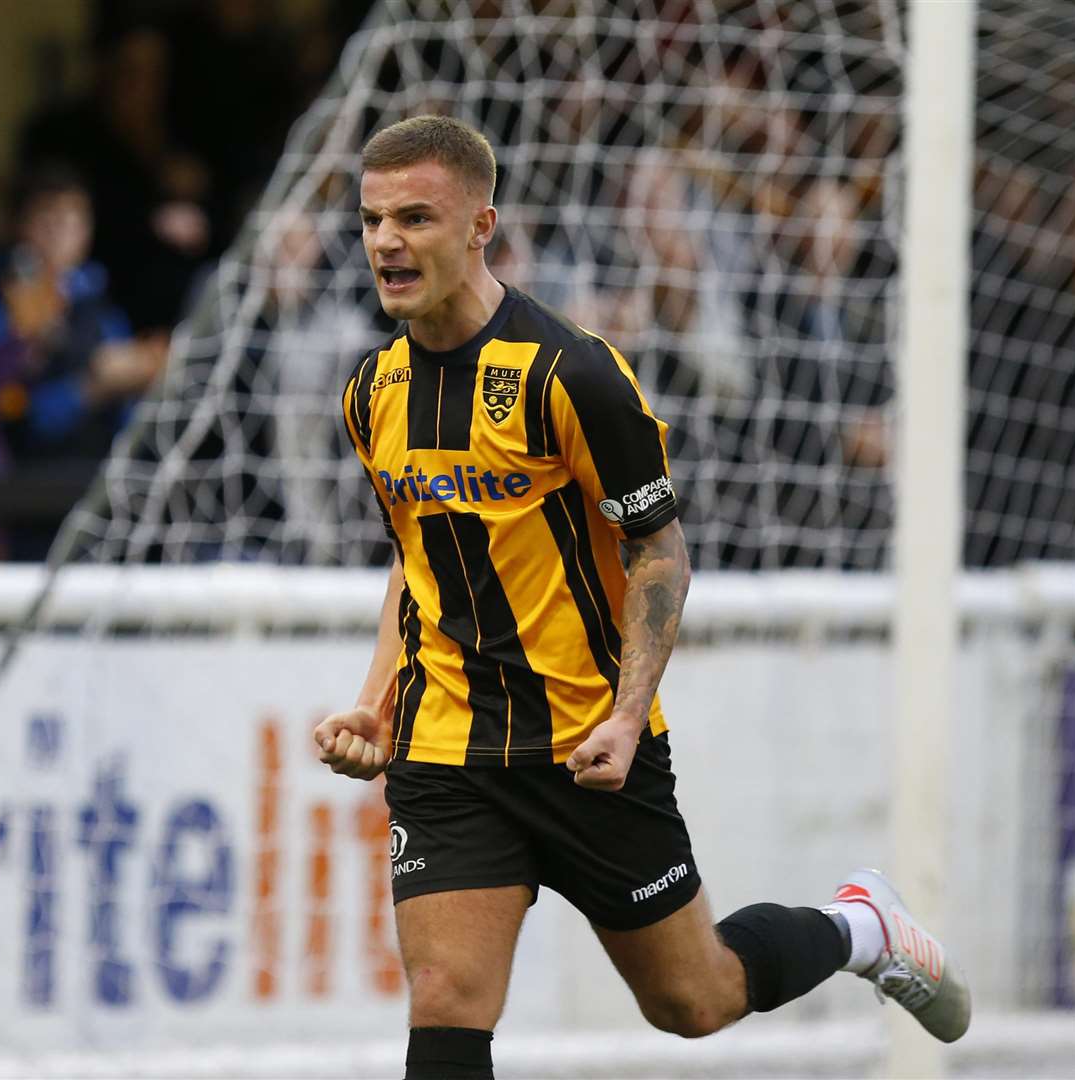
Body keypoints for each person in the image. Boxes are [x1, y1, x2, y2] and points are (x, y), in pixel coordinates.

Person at [314, 115, 969, 1080]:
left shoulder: (571, 373)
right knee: (447, 1001)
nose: (387, 242)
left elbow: (659, 551)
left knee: (691, 1001)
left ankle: (859, 928)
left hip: (587, 746)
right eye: (372, 221)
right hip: (447, 748)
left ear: (481, 225)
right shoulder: (372, 392)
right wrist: (376, 698)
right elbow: (416, 562)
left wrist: (626, 715)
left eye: (415, 217)